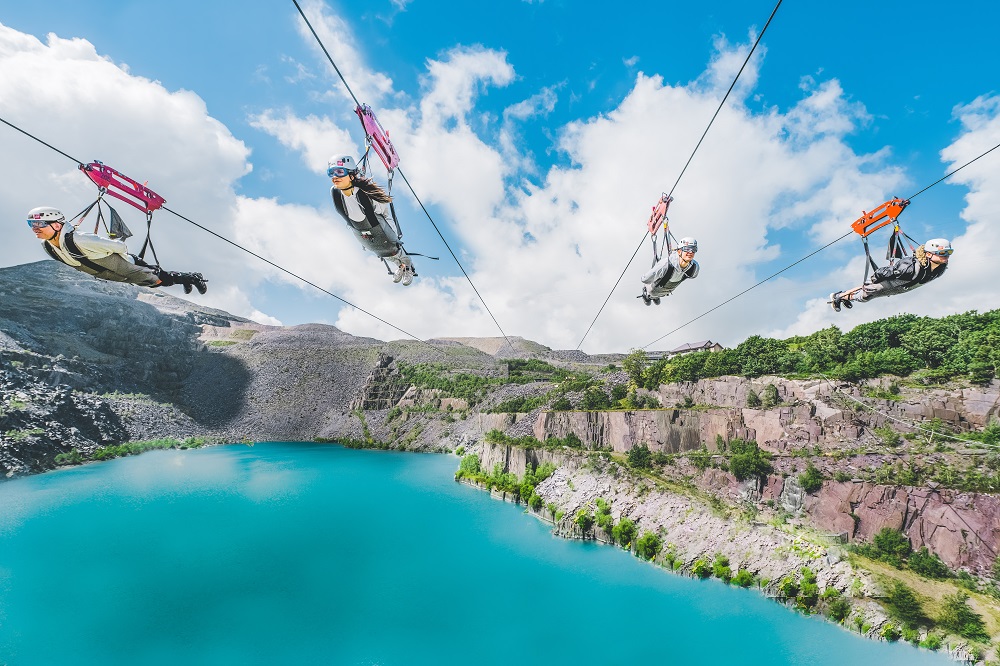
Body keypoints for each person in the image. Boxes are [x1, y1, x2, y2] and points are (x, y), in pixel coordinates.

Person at [26, 206, 207, 294]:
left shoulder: (79, 239)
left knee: (159, 280)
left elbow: (119, 246)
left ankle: (192, 277)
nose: (35, 228)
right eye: (31, 224)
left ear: (58, 225)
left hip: (123, 265)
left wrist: (125, 261)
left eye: (40, 224)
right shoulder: (48, 247)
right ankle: (185, 279)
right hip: (110, 274)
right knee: (154, 281)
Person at [328, 155, 414, 286]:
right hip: (360, 230)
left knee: (392, 249)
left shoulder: (363, 194)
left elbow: (383, 212)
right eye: (331, 173)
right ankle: (400, 266)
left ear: (351, 175)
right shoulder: (335, 193)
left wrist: (393, 233)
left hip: (378, 226)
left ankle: (407, 266)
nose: (335, 177)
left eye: (339, 172)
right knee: (381, 252)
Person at [830, 238, 952, 311]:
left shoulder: (940, 269)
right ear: (929, 254)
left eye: (948, 252)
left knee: (865, 297)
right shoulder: (909, 268)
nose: (946, 256)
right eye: (942, 253)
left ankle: (845, 296)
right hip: (885, 284)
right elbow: (885, 272)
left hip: (899, 289)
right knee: (864, 297)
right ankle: (838, 296)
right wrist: (875, 279)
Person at [639, 237, 699, 305]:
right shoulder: (665, 265)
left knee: (660, 293)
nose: (690, 252)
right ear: (679, 251)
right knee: (652, 293)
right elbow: (645, 279)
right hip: (654, 289)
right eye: (687, 249)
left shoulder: (694, 267)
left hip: (668, 290)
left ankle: (655, 297)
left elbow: (692, 275)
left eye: (693, 249)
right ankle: (647, 295)